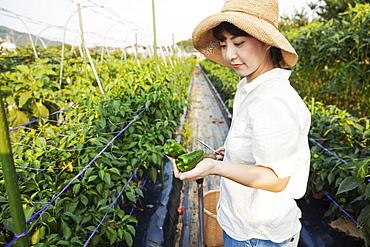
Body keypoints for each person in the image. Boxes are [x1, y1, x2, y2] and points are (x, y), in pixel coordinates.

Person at [168, 0, 311, 246]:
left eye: (239, 43)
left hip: (258, 235)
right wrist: (232, 153)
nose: (229, 54)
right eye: (224, 45)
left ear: (266, 42)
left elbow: (276, 179)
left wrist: (213, 168)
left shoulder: (272, 99)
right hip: (241, 222)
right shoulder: (249, 87)